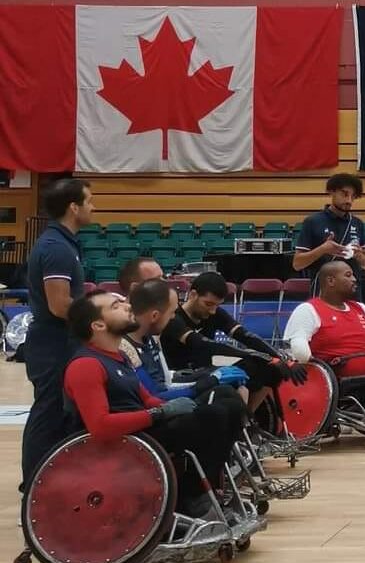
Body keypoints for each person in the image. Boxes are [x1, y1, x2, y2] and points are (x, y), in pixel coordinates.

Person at [61, 291, 243, 522]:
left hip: (141, 431)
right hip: (119, 443)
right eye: (116, 306)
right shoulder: (85, 365)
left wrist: (184, 405)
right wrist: (159, 413)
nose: (128, 306)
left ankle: (207, 487)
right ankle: (191, 499)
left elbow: (148, 399)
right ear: (98, 324)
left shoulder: (119, 357)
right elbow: (99, 426)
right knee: (212, 416)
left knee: (226, 404)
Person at [19, 178, 91, 490]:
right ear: (74, 207)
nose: (93, 206)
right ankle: (34, 486)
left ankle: (54, 480)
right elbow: (60, 305)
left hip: (62, 341)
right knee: (47, 412)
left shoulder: (65, 244)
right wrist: (97, 312)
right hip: (52, 343)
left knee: (62, 412)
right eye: (89, 201)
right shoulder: (56, 249)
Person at [160, 272, 302, 419]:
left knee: (270, 370)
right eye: (208, 304)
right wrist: (259, 355)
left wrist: (280, 358)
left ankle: (248, 420)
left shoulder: (215, 313)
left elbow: (244, 336)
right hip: (181, 375)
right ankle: (240, 422)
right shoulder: (174, 319)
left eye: (217, 305)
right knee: (252, 362)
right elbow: (204, 345)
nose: (212, 310)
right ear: (193, 295)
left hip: (208, 371)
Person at [123, 278, 248, 404]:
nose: (173, 317)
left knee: (233, 387)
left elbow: (167, 380)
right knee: (224, 398)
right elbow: (155, 396)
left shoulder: (150, 338)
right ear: (155, 316)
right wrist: (211, 380)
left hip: (169, 392)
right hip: (158, 409)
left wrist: (210, 376)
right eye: (171, 312)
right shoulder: (127, 349)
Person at [283, 261, 365, 377]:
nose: (354, 279)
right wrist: (316, 368)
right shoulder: (308, 310)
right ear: (331, 281)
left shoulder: (362, 308)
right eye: (348, 275)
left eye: (353, 275)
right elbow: (299, 349)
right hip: (333, 382)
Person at [294, 173, 365, 294]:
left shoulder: (358, 223)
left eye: (353, 196)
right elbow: (297, 264)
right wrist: (323, 249)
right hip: (323, 293)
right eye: (345, 194)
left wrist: (360, 256)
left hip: (352, 294)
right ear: (332, 191)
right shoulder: (313, 221)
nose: (349, 200)